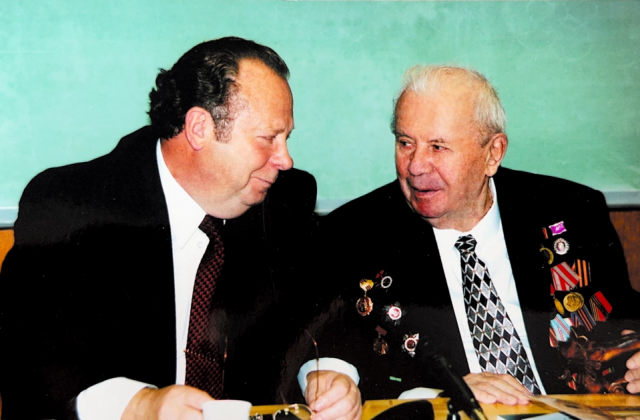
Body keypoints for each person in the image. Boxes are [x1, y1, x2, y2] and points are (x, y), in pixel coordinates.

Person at [0, 37, 360, 420]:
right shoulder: (74, 205)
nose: (285, 159)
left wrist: (327, 371)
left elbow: (319, 309)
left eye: (286, 138)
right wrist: (138, 405)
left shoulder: (284, 199)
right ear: (199, 127)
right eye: (268, 138)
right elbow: (27, 350)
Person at [302, 65, 640, 406]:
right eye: (405, 143)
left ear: (493, 153)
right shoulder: (355, 233)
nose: (416, 165)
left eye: (438, 147)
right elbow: (336, 360)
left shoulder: (572, 212)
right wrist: (446, 394)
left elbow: (624, 320)